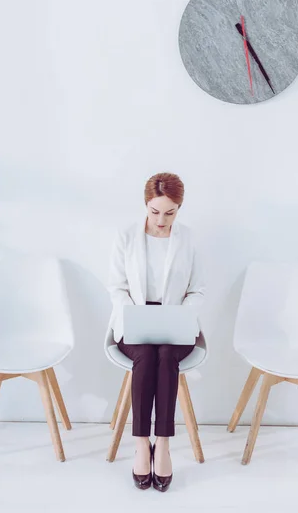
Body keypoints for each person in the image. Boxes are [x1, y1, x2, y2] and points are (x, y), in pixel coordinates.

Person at [107, 172, 205, 491]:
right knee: (147, 356)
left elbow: (198, 290)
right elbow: (117, 287)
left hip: (176, 320)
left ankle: (161, 444)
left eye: (170, 212)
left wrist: (182, 316)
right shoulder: (126, 237)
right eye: (155, 211)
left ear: (179, 208)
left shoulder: (188, 239)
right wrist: (132, 314)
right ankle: (140, 444)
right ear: (145, 205)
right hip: (133, 320)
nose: (161, 220)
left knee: (165, 355)